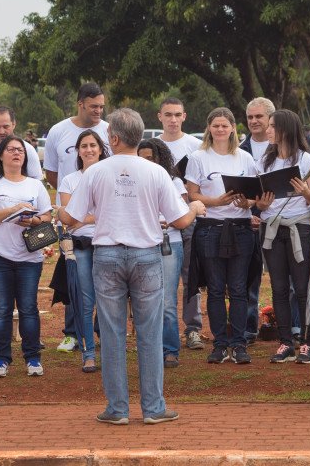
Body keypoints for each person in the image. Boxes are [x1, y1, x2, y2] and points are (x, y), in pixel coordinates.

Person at [62, 108, 204, 425]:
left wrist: (58, 210)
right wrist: (195, 205)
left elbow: (70, 219)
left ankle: (117, 409)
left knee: (112, 334)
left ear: (113, 137)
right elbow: (180, 220)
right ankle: (153, 408)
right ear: (140, 136)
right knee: (149, 334)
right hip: (146, 255)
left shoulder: (95, 172)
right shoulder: (155, 172)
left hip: (108, 255)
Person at [185, 107, 259, 365]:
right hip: (210, 228)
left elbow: (254, 194)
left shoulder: (245, 158)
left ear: (232, 128)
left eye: (224, 125)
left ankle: (238, 344)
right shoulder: (198, 157)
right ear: (209, 128)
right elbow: (192, 194)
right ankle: (219, 343)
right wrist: (215, 201)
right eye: (215, 125)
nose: (220, 129)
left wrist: (247, 203)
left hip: (240, 227)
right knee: (215, 289)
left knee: (238, 289)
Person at [0, 135, 53, 378]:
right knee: (2, 309)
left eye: (20, 150)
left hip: (29, 257)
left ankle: (32, 358)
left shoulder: (35, 185)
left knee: (29, 308)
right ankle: (1, 359)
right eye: (10, 149)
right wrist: (12, 210)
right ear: (1, 155)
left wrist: (33, 220)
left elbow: (47, 218)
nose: (16, 153)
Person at [43, 82, 110, 354]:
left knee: (105, 288)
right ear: (80, 103)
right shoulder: (58, 131)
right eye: (93, 106)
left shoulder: (108, 129)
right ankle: (72, 333)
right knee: (74, 282)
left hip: (106, 234)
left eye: (102, 107)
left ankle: (100, 333)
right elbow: (51, 173)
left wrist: (84, 216)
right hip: (72, 231)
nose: (98, 111)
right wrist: (77, 214)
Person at [0, 106, 44, 352]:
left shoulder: (29, 149)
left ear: (14, 125)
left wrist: (30, 217)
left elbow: (35, 185)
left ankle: (31, 343)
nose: (2, 131)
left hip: (26, 240)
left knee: (27, 302)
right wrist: (11, 208)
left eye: (6, 126)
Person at [257, 109, 310, 364]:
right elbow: (257, 199)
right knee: (279, 288)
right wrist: (259, 204)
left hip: (300, 229)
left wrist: (305, 191)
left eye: (272, 125)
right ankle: (285, 342)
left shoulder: (307, 161)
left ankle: (306, 342)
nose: (267, 129)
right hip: (272, 228)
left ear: (286, 129)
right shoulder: (264, 161)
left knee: (304, 288)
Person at [57, 129, 110, 372]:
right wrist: (93, 217)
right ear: (78, 151)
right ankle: (89, 354)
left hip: (108, 244)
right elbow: (67, 218)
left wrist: (84, 219)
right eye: (84, 146)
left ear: (101, 148)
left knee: (110, 301)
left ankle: (110, 352)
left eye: (93, 145)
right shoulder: (69, 180)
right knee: (85, 301)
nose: (89, 149)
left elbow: (108, 213)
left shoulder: (111, 175)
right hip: (80, 248)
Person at [137, 138, 190, 369]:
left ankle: (170, 349)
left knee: (167, 300)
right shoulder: (133, 182)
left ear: (160, 159)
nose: (146, 163)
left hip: (170, 243)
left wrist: (168, 221)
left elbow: (184, 214)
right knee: (146, 300)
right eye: (141, 159)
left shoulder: (174, 181)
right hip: (143, 244)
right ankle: (150, 350)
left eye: (150, 158)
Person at [157, 97, 203, 351]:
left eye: (177, 114)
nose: (173, 119)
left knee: (190, 276)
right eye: (168, 115)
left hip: (188, 217)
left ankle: (193, 328)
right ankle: (162, 329)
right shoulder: (152, 145)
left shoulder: (195, 146)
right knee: (162, 281)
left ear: (184, 116)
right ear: (159, 117)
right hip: (160, 223)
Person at [239, 97, 276, 345]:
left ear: (270, 119)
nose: (254, 121)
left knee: (286, 281)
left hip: (280, 222)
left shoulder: (283, 149)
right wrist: (250, 213)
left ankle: (290, 329)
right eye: (250, 117)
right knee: (248, 280)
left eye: (259, 116)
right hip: (248, 223)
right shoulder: (239, 150)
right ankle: (248, 329)